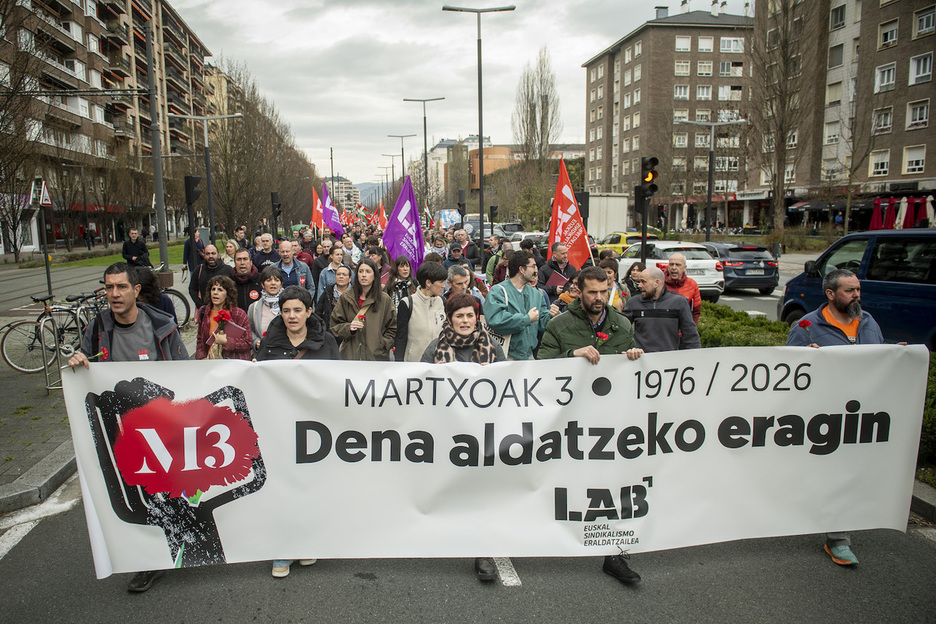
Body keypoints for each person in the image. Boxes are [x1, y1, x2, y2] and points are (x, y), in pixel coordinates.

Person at [66, 262, 188, 593]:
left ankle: (166, 548)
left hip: (159, 426)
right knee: (135, 493)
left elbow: (184, 372)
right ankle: (148, 557)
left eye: (121, 287)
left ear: (136, 290)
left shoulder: (161, 325)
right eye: (108, 288)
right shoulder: (97, 327)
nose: (114, 294)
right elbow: (87, 365)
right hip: (118, 429)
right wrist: (79, 361)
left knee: (163, 489)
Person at [538, 266, 644, 585]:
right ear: (578, 291)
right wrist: (573, 354)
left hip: (610, 419)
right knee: (562, 479)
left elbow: (628, 366)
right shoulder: (559, 324)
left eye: (603, 291)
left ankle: (615, 553)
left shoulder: (621, 323)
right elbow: (541, 364)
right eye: (592, 292)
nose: (599, 298)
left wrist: (635, 356)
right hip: (571, 418)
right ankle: (549, 534)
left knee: (613, 481)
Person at [786, 268, 890, 567]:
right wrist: (806, 356)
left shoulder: (869, 322)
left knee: (845, 476)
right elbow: (790, 367)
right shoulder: (806, 326)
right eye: (849, 290)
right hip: (822, 417)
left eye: (858, 289)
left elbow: (879, 360)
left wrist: (898, 360)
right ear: (830, 294)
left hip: (861, 416)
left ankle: (838, 538)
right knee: (821, 475)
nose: (857, 295)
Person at [483, 250, 549, 361]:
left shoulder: (536, 294)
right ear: (521, 269)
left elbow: (542, 323)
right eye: (533, 266)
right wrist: (525, 319)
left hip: (529, 357)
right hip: (505, 357)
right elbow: (495, 320)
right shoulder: (498, 291)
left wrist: (552, 315)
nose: (536, 271)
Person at [330, 258, 396, 361]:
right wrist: (349, 328)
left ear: (374, 276)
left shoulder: (384, 300)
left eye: (368, 271)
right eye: (361, 271)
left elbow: (393, 327)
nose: (364, 275)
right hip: (350, 357)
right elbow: (334, 325)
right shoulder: (346, 297)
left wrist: (382, 344)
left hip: (376, 357)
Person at [624, 266, 700, 352]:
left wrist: (693, 358)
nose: (640, 286)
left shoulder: (679, 302)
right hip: (640, 360)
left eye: (643, 282)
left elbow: (690, 335)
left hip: (668, 360)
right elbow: (621, 330)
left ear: (657, 282)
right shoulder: (633, 302)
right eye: (639, 282)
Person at [394, 261, 448, 362]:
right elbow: (401, 339)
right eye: (440, 282)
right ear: (428, 283)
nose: (443, 286)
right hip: (414, 366)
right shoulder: (407, 303)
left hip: (439, 365)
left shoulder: (442, 302)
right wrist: (399, 365)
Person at [194, 275, 251, 360]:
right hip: (211, 363)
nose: (215, 292)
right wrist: (201, 358)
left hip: (233, 364)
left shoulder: (239, 314)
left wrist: (227, 342)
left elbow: (247, 342)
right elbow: (200, 340)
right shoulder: (204, 311)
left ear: (228, 294)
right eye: (213, 289)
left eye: (220, 290)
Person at [247, 266, 284, 353]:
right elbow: (249, 330)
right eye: (268, 280)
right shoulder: (254, 307)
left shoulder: (288, 304)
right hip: (263, 353)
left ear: (281, 284)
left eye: (276, 280)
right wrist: (256, 342)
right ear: (262, 284)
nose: (273, 283)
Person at [316, 264, 352, 341]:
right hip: (329, 332)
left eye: (344, 274)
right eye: (338, 274)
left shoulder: (354, 293)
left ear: (349, 278)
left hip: (348, 333)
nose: (341, 276)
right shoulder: (327, 292)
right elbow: (318, 312)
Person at [189, 244, 233, 308]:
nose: (210, 256)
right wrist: (200, 305)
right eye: (207, 254)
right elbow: (192, 289)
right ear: (204, 256)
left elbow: (233, 290)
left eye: (213, 253)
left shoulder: (228, 270)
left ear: (218, 255)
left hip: (224, 310)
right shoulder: (199, 270)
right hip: (204, 310)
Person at [664, 252, 701, 325]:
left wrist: (691, 330)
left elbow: (696, 312)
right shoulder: (660, 283)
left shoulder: (692, 284)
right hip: (664, 332)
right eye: (671, 264)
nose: (674, 267)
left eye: (678, 265)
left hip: (683, 331)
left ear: (684, 268)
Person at [231, 248, 262, 313]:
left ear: (251, 262)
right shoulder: (228, 282)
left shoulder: (262, 280)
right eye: (239, 259)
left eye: (245, 259)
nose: (242, 263)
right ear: (234, 263)